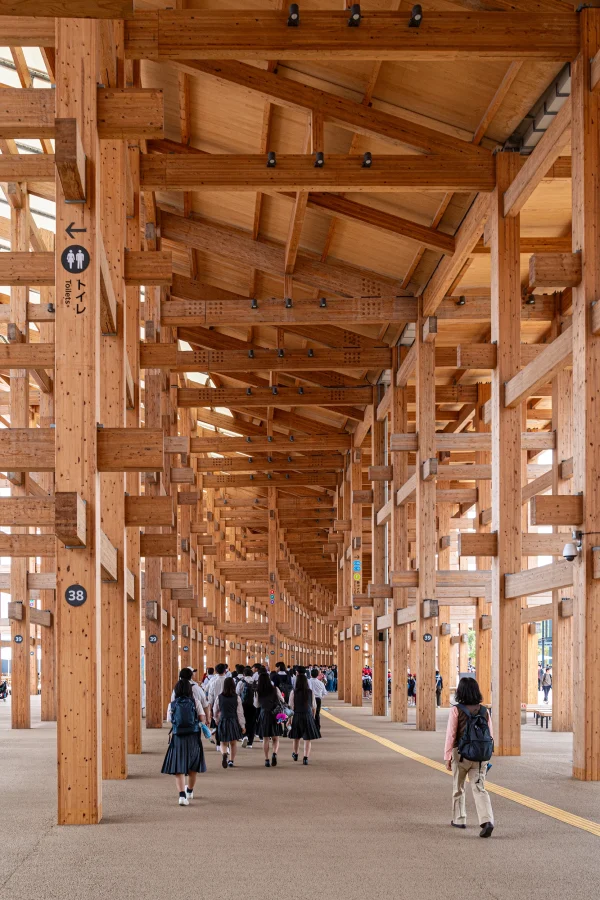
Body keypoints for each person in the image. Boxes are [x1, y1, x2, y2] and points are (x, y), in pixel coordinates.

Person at [444, 676, 494, 838]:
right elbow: (490, 735)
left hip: (461, 754)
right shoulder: (484, 711)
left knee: (458, 787)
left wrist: (447, 756)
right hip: (480, 756)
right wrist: (487, 756)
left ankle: (459, 819)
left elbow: (451, 735)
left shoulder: (456, 710)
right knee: (479, 788)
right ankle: (487, 821)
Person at [162, 671, 207, 805]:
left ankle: (182, 796)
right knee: (193, 766)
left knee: (179, 766)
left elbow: (169, 720)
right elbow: (202, 718)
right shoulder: (195, 702)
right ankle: (190, 791)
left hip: (178, 737)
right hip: (193, 736)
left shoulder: (172, 704)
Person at [254, 671, 285, 767]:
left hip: (264, 714)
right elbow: (282, 700)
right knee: (276, 738)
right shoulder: (275, 689)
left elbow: (256, 705)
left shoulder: (258, 691)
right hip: (275, 714)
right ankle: (274, 753)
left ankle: (267, 759)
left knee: (265, 738)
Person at [289, 670, 320, 765]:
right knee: (307, 738)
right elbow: (314, 707)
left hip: (297, 715)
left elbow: (291, 707)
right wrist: (313, 717)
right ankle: (305, 757)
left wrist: (289, 720)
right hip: (308, 715)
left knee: (296, 737)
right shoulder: (310, 692)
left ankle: (295, 754)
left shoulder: (293, 692)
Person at [214, 675, 245, 768]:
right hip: (233, 721)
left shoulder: (219, 697)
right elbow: (240, 713)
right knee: (233, 743)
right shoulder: (237, 698)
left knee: (223, 742)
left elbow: (215, 711)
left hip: (223, 720)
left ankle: (224, 754)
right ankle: (231, 761)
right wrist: (242, 725)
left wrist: (216, 720)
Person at [237, 666, 257, 749]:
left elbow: (237, 693)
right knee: (252, 722)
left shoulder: (241, 682)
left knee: (243, 720)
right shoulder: (255, 682)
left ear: (244, 674)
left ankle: (244, 736)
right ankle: (250, 743)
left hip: (243, 705)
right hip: (253, 705)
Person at [308, 667, 327, 732]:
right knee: (317, 713)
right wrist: (321, 696)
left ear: (311, 674)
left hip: (309, 699)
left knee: (309, 713)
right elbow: (324, 692)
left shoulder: (308, 681)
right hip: (318, 699)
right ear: (317, 675)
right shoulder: (320, 683)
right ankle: (317, 727)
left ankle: (310, 727)